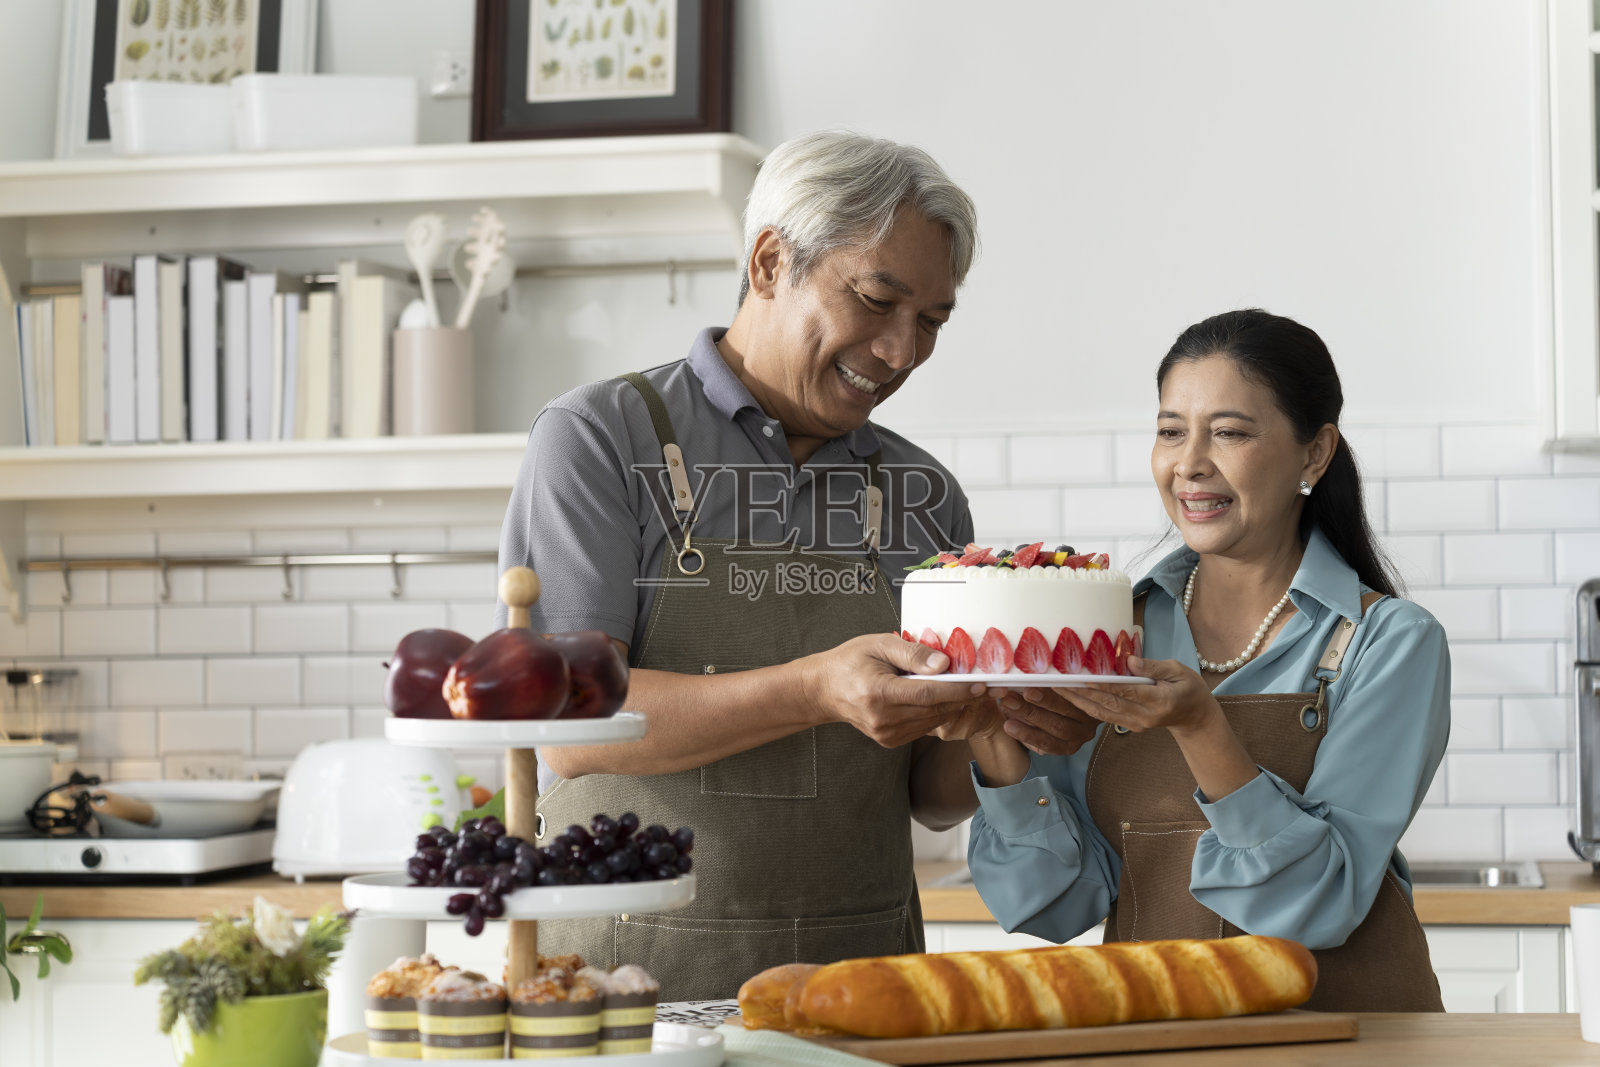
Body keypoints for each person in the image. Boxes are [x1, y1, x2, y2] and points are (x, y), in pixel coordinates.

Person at [496, 131, 991, 1000]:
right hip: (628, 997)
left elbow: (933, 794)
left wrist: (1006, 719)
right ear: (769, 263)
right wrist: (816, 687)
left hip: (861, 990)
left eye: (931, 323)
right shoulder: (600, 439)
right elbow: (572, 728)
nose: (901, 351)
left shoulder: (924, 494)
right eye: (877, 300)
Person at [957, 308, 1450, 1012]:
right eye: (1170, 431)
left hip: (1350, 1041)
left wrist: (1200, 725)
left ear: (1314, 454)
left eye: (1230, 432)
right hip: (1161, 1036)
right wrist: (990, 734)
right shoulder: (1111, 632)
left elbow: (1320, 902)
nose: (1188, 463)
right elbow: (1057, 901)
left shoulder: (1389, 641)